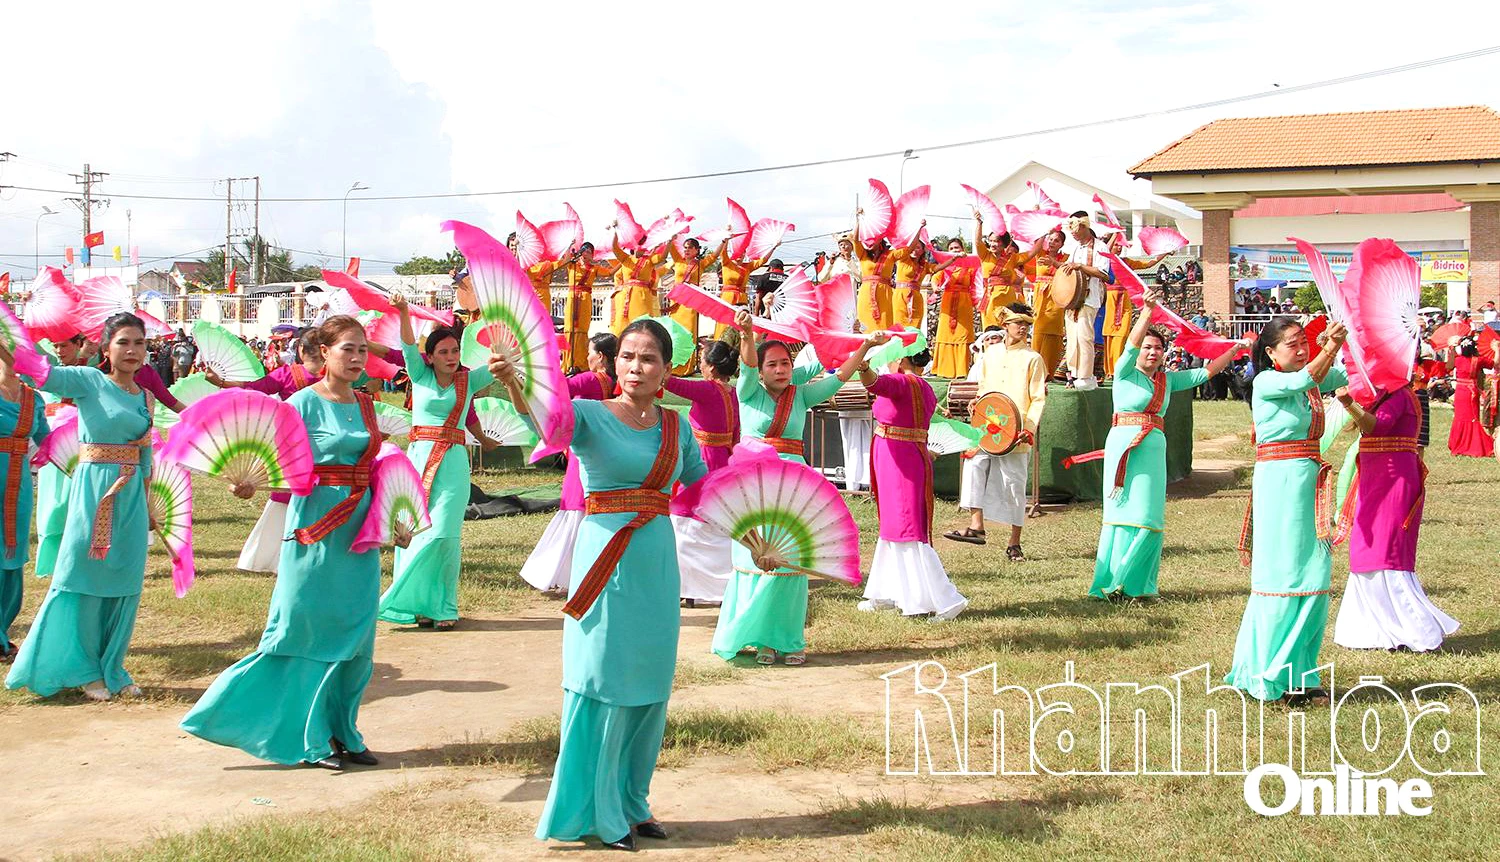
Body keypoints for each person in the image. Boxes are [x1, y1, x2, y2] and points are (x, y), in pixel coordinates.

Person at [494, 319, 706, 852]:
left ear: (667, 369)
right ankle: (595, 809)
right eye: (628, 356)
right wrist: (514, 383)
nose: (636, 366)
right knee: (602, 678)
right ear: (613, 364)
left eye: (649, 358)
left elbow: (705, 491)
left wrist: (755, 539)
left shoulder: (677, 429)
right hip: (604, 560)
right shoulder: (588, 415)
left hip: (656, 562)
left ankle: (634, 800)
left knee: (649, 684)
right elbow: (544, 421)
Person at [181, 314, 385, 768]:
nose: (355, 358)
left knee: (356, 635)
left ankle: (344, 730)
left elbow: (376, 465)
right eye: (347, 349)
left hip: (358, 534)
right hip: (313, 527)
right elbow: (277, 462)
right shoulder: (301, 405)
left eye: (362, 350)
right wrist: (247, 483)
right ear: (324, 353)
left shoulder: (369, 405)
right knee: (303, 629)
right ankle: (303, 736)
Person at [3, 314, 154, 701]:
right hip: (93, 493)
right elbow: (42, 372)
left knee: (124, 582)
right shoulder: (89, 381)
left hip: (132, 496)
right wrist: (8, 346)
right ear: (105, 348)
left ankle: (112, 666)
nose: (132, 350)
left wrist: (150, 503)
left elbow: (146, 455)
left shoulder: (146, 397)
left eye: (138, 342)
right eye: (123, 342)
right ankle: (84, 668)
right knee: (83, 577)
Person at [712, 310, 871, 666]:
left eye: (786, 363)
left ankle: (786, 639)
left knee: (789, 564)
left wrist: (863, 347)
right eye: (773, 365)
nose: (781, 369)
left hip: (795, 487)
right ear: (762, 370)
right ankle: (759, 640)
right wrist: (748, 334)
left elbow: (839, 376)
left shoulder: (800, 396)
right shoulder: (748, 391)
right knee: (756, 561)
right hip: (754, 484)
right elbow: (749, 365)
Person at [1087, 289, 1247, 600]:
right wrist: (1147, 312)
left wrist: (1234, 350)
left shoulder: (1168, 381)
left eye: (1158, 348)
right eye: (1148, 347)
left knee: (1148, 515)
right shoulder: (1124, 373)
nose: (1152, 352)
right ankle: (1108, 584)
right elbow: (1130, 345)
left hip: (1152, 449)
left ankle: (1137, 585)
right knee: (1118, 515)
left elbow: (1206, 372)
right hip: (1123, 447)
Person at [1225, 316, 1350, 704]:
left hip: (1306, 481)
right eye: (1293, 343)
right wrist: (1328, 346)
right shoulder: (1267, 381)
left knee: (1315, 573)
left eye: (1304, 342)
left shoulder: (1313, 380)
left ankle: (1302, 673)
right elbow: (1303, 379)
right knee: (1283, 579)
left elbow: (1347, 376)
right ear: (1270, 352)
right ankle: (1270, 674)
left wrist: (1346, 343)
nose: (1301, 348)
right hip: (1279, 483)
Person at [377, 296, 497, 629]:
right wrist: (403, 312)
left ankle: (444, 606)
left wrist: (514, 341)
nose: (450, 357)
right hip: (417, 460)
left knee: (444, 536)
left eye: (455, 351)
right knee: (413, 532)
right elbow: (405, 345)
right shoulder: (419, 374)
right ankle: (419, 605)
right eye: (442, 352)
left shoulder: (469, 380)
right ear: (430, 357)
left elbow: (503, 365)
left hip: (454, 464)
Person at [1332, 383, 1458, 651]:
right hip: (1374, 477)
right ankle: (1370, 629)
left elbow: (1378, 426)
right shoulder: (1382, 394)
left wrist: (1348, 403)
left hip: (1394, 481)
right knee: (1364, 549)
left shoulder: (1400, 394)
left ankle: (1414, 629)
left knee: (1386, 551)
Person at [856, 346, 967, 620]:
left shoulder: (901, 381)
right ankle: (886, 592)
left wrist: (862, 362)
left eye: (895, 356)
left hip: (898, 459)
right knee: (896, 525)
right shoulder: (926, 388)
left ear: (903, 359)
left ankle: (944, 599)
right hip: (905, 456)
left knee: (906, 527)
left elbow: (872, 382)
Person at [205, 328, 325, 574]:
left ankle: (265, 557)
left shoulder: (287, 374)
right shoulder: (332, 378)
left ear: (301, 350)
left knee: (282, 498)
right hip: (324, 446)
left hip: (290, 444)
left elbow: (254, 389)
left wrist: (221, 383)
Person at [945, 306, 1046, 560]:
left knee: (1014, 483)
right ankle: (976, 525)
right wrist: (977, 400)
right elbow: (984, 386)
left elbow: (1038, 398)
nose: (1022, 328)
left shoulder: (1033, 358)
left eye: (1026, 324)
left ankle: (1015, 543)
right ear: (1006, 326)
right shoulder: (990, 354)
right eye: (1017, 323)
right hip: (987, 424)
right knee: (974, 464)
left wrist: (1029, 428)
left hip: (1016, 429)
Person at [518, 334, 618, 593]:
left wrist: (540, 366)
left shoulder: (589, 379)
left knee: (575, 504)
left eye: (590, 351)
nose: (587, 357)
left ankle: (559, 572)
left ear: (601, 358)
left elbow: (556, 390)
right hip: (605, 450)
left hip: (582, 448)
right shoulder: (614, 385)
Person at [665, 340, 741, 606]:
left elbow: (672, 384)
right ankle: (708, 584)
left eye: (701, 360)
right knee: (714, 523)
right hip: (723, 460)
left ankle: (696, 585)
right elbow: (736, 433)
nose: (699, 364)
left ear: (711, 366)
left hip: (703, 462)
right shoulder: (732, 392)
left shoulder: (708, 389)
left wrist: (662, 365)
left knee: (685, 521)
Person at [0, 355, 48, 661]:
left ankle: (3, 628)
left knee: (12, 555)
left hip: (18, 488)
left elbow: (50, 440)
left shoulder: (34, 399)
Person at [31, 333, 88, 578]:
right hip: (51, 448)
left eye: (64, 344)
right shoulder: (49, 375)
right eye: (55, 345)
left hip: (77, 450)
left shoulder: (89, 375)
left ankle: (76, 558)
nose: (59, 349)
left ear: (78, 345)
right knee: (51, 505)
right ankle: (50, 561)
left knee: (73, 504)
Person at [1059, 212, 1114, 390]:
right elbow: (1068, 268)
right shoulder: (1075, 248)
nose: (1072, 233)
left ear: (1084, 226)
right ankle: (1073, 376)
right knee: (1072, 339)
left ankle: (1086, 376)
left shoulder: (1100, 247)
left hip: (1089, 299)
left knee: (1084, 338)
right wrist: (1054, 263)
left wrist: (1081, 266)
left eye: (1074, 229)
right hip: (1073, 300)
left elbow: (1105, 275)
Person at [852, 213, 922, 332]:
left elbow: (909, 249)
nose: (869, 241)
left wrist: (919, 228)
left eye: (873, 238)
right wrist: (858, 219)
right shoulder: (862, 254)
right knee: (865, 327)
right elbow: (855, 239)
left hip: (885, 294)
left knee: (884, 326)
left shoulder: (890, 254)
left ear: (880, 240)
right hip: (865, 293)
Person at [663, 238, 724, 373]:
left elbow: (714, 256)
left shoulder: (700, 264)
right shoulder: (678, 260)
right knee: (675, 333)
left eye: (690, 247)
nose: (686, 250)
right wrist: (671, 236)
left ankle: (687, 367)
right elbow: (671, 246)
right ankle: (674, 365)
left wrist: (723, 241)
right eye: (685, 247)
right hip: (677, 303)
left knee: (689, 333)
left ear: (697, 250)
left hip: (691, 303)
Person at [562, 244, 619, 373]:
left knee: (581, 330)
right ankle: (567, 363)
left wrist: (623, 261)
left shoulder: (594, 268)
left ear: (592, 254)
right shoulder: (573, 265)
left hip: (585, 299)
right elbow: (564, 261)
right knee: (569, 330)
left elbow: (610, 273)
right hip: (572, 298)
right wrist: (569, 246)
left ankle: (580, 364)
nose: (586, 253)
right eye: (584, 250)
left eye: (589, 251)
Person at [931, 237, 980, 378]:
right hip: (947, 300)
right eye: (951, 248)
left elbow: (976, 283)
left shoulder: (971, 267)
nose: (954, 250)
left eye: (957, 248)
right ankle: (943, 370)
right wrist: (936, 288)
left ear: (963, 250)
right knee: (945, 333)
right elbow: (935, 278)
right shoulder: (945, 266)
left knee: (963, 334)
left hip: (964, 303)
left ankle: (961, 370)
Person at [1026, 229, 1069, 379]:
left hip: (1057, 298)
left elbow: (1067, 271)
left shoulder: (1066, 258)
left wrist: (1055, 263)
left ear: (1062, 244)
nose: (1052, 242)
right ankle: (1035, 371)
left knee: (1054, 334)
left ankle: (1049, 371)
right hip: (1041, 299)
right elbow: (1035, 243)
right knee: (1038, 331)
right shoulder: (1040, 254)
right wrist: (1043, 230)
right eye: (1050, 239)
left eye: (1056, 240)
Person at [1446, 335, 1494, 457]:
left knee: (1459, 417)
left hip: (1460, 391)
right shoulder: (1478, 360)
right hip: (1471, 391)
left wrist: (1451, 350)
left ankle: (1458, 443)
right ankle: (1474, 444)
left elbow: (1448, 366)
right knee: (1473, 417)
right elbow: (1494, 364)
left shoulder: (1458, 360)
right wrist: (1496, 349)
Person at [891, 241, 955, 330]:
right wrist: (919, 228)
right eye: (912, 247)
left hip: (916, 298)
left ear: (922, 251)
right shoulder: (903, 259)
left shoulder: (924, 265)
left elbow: (937, 268)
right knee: (900, 326)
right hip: (900, 297)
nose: (914, 249)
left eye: (917, 247)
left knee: (915, 327)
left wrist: (953, 259)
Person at [610, 234, 664, 335]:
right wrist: (616, 232)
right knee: (623, 326)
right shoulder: (626, 258)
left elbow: (663, 257)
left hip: (642, 296)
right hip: (625, 296)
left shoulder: (649, 260)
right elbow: (615, 248)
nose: (641, 246)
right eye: (639, 243)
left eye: (644, 244)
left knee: (642, 325)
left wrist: (669, 242)